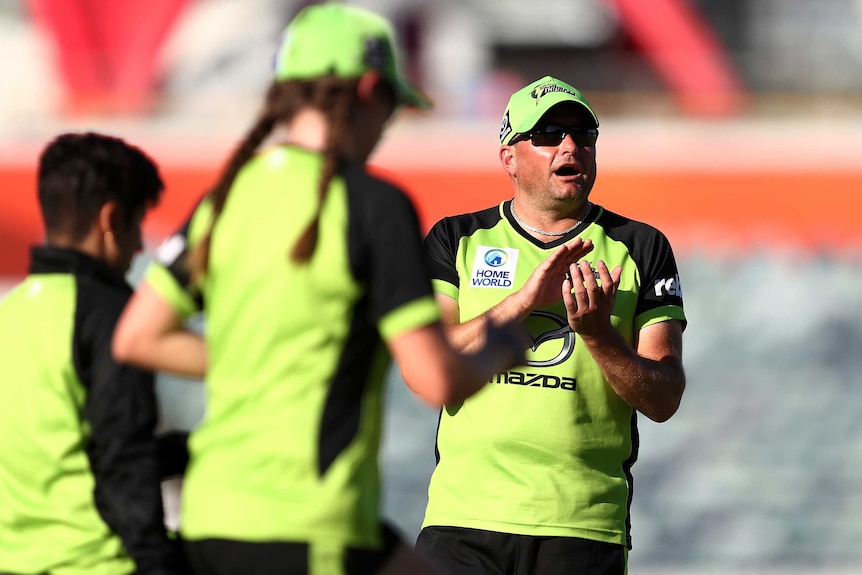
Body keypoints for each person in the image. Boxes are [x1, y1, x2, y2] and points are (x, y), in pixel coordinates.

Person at [110, 4, 534, 575]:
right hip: (309, 523)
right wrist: (504, 347)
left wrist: (257, 359)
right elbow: (435, 377)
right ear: (367, 90)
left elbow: (138, 337)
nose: (387, 127)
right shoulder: (375, 205)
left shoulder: (226, 198)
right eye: (390, 107)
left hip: (208, 517)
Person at [414, 76, 688, 575]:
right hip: (463, 520)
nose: (570, 146)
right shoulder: (457, 238)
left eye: (583, 134)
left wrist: (600, 336)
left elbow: (664, 396)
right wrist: (524, 301)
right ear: (509, 157)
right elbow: (434, 361)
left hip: (582, 526)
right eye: (548, 134)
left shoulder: (642, 246)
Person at [0, 132, 188, 575]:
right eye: (137, 224)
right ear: (110, 220)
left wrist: (183, 452)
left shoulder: (12, 313)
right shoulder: (112, 318)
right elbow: (121, 460)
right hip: (100, 563)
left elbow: (60, 458)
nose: (139, 246)